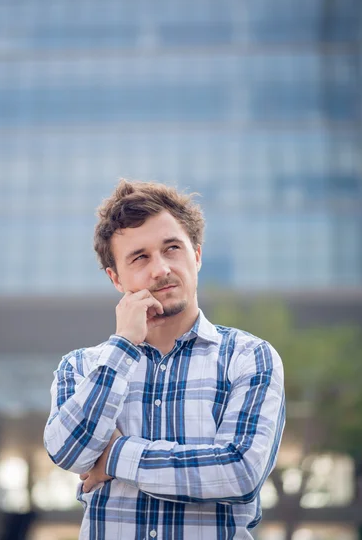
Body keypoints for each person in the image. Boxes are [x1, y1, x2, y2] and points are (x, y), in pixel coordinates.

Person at [44, 179, 285, 540]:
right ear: (116, 278)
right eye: (140, 257)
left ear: (197, 256)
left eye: (172, 248)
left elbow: (239, 472)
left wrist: (114, 456)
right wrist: (124, 344)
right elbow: (68, 451)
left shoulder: (249, 358)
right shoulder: (80, 367)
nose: (160, 269)